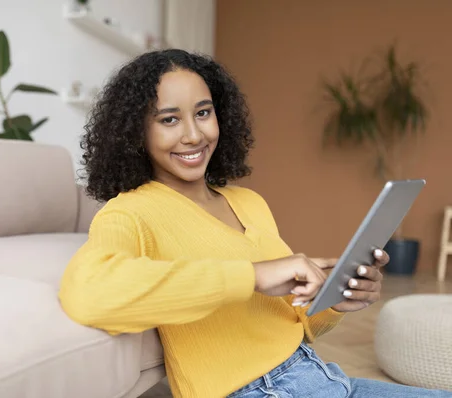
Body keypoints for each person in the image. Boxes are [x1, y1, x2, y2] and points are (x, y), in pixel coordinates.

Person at [58, 49, 451, 398]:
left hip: (323, 378)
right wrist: (253, 275)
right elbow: (89, 294)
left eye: (202, 113)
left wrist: (335, 301)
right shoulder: (129, 212)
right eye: (169, 119)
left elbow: (289, 323)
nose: (193, 135)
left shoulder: (248, 202)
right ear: (136, 132)